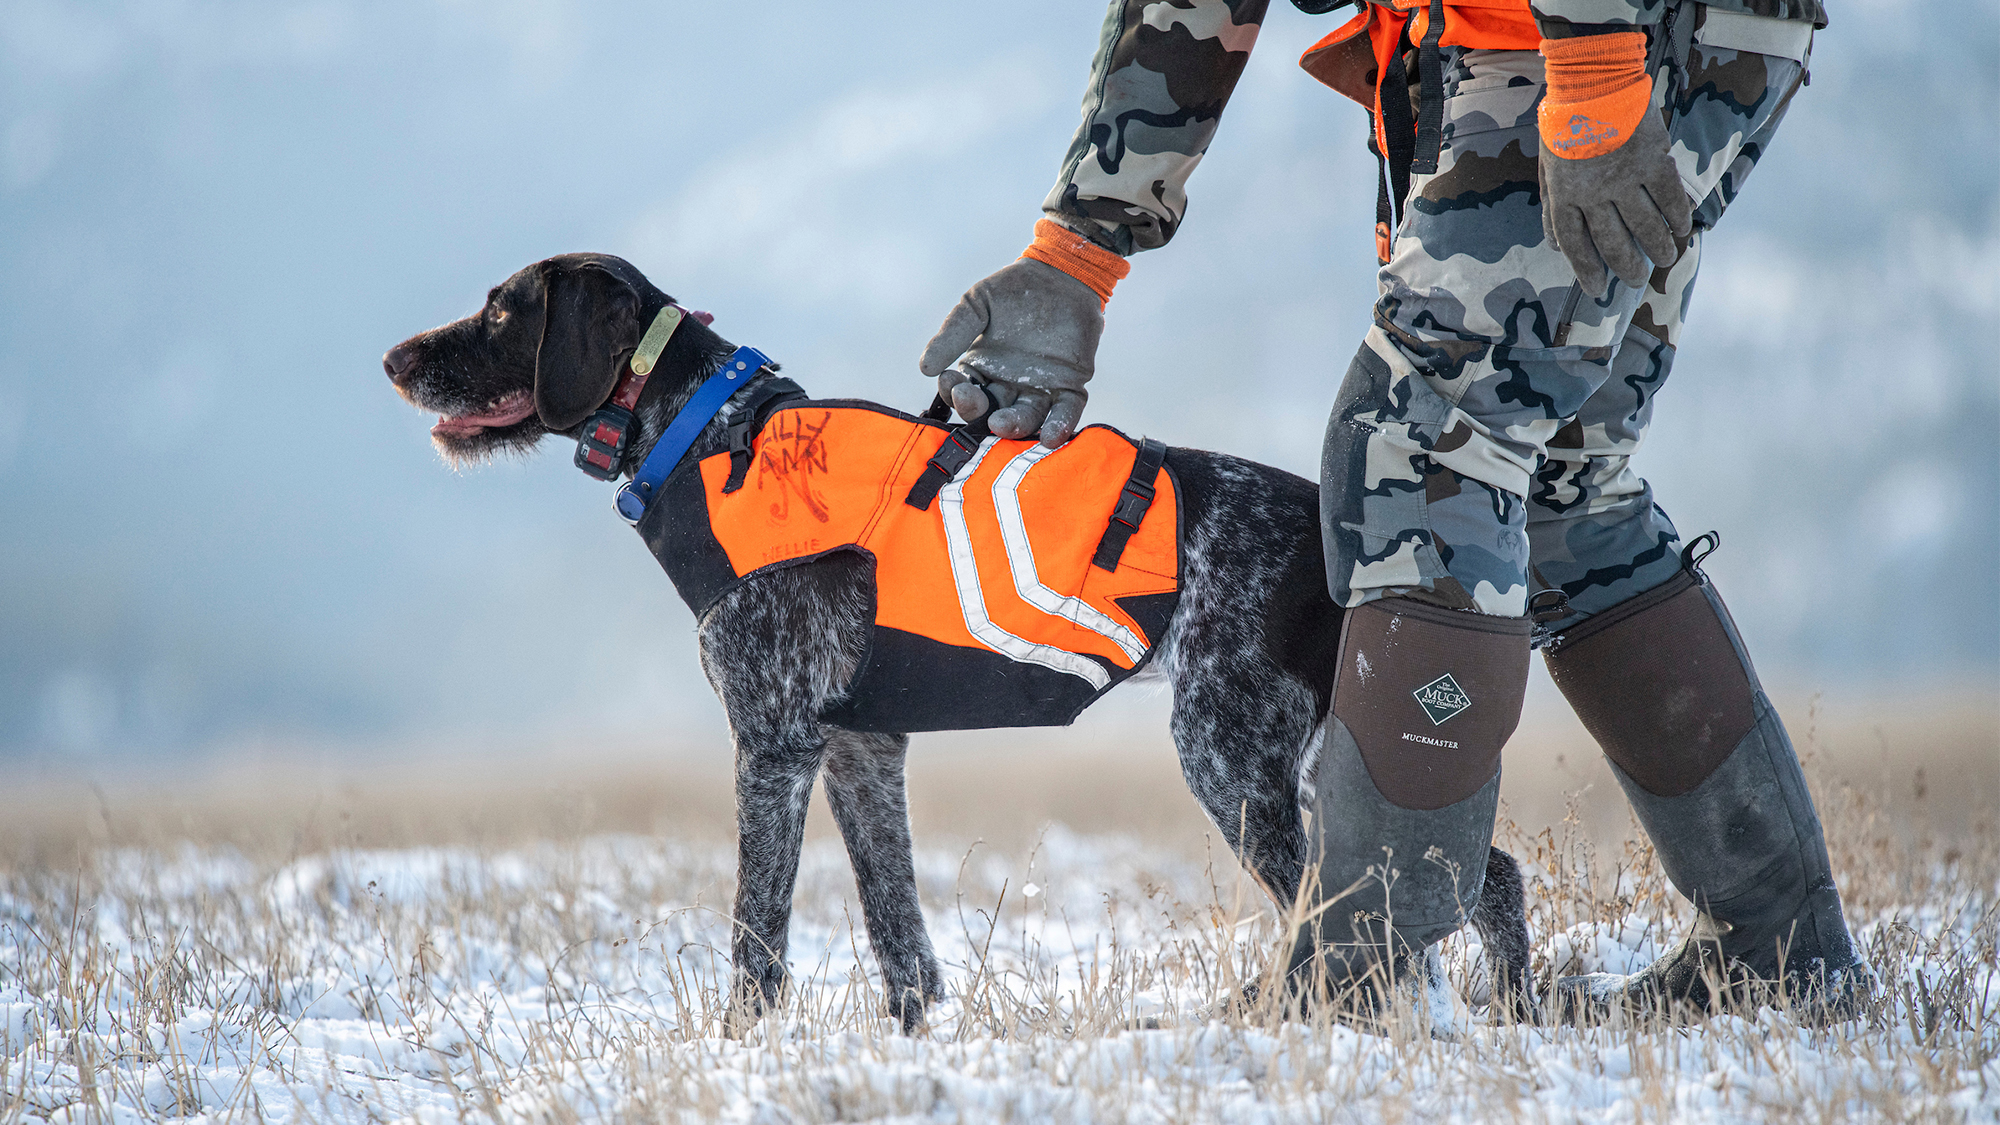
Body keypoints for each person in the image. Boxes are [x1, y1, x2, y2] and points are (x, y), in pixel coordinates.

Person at [919, 0, 1870, 1022]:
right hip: (1638, 36)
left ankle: (1360, 977)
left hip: (1573, 37)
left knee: (1419, 456)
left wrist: (1593, 64)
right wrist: (1076, 252)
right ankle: (1776, 956)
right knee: (1557, 487)